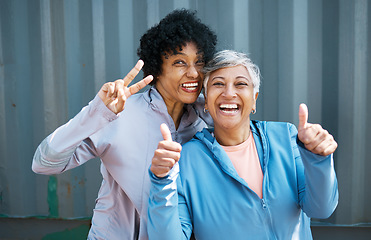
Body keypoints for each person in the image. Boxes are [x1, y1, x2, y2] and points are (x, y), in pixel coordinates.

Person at [32, 9, 217, 240]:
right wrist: (95, 113)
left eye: (199, 62)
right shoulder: (119, 113)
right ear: (157, 68)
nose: (193, 73)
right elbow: (43, 163)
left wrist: (216, 114)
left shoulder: (204, 119)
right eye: (180, 62)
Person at [148, 50, 339, 239]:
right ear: (206, 101)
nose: (229, 93)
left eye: (240, 84)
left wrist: (318, 159)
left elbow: (321, 208)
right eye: (218, 84)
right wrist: (162, 181)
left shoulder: (285, 137)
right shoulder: (187, 159)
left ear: (254, 100)